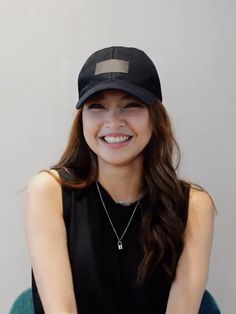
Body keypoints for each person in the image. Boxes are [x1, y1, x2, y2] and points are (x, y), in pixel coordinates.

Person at [25, 46, 216, 314]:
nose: (113, 122)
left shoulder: (194, 205)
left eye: (131, 106)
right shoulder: (49, 191)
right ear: (82, 119)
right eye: (97, 107)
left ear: (154, 116)